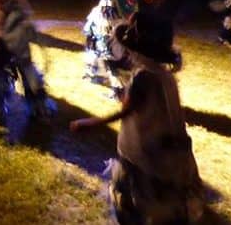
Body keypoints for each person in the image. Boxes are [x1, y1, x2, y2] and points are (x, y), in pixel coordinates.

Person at [70, 12, 205, 224]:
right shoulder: (165, 76)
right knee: (167, 209)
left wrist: (90, 123)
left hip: (144, 156)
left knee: (139, 207)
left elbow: (125, 111)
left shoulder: (143, 77)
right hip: (171, 155)